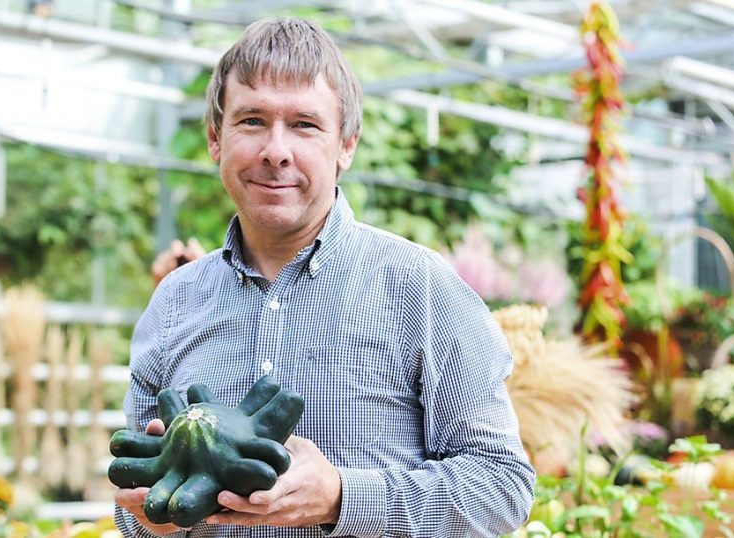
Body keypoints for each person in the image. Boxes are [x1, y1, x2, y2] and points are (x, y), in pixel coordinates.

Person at [114, 16, 535, 537]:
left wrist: (341, 497)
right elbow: (134, 502)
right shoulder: (174, 302)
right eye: (251, 120)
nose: (276, 150)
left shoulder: (421, 288)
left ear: (346, 146)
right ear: (215, 140)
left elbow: (503, 487)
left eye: (304, 125)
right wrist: (151, 518)